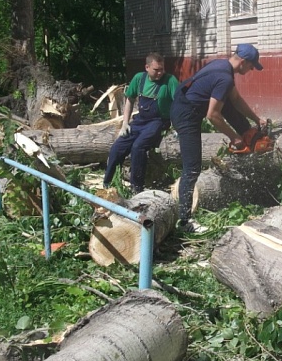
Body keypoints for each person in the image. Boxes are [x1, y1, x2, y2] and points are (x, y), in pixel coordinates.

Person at [170, 43, 267, 232]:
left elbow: (236, 100)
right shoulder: (224, 78)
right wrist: (234, 138)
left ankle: (251, 138)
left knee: (229, 103)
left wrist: (257, 120)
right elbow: (212, 115)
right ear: (243, 62)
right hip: (185, 113)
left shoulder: (222, 66)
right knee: (192, 167)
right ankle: (184, 221)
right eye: (251, 66)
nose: (252, 69)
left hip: (187, 105)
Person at [103, 52, 177, 193]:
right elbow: (130, 99)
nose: (160, 72)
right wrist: (125, 123)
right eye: (156, 70)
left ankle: (136, 187)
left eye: (162, 69)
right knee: (117, 147)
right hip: (140, 121)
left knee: (138, 147)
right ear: (147, 67)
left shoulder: (170, 80)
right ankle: (107, 183)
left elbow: (179, 102)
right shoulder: (139, 79)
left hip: (159, 121)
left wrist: (177, 125)